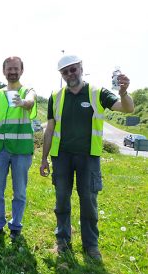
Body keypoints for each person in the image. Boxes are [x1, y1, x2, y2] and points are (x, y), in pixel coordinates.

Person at [39, 55, 134, 260]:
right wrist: (43, 158)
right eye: (65, 72)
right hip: (61, 157)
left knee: (89, 201)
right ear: (61, 75)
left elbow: (127, 108)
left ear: (81, 68)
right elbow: (49, 129)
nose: (70, 74)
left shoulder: (97, 93)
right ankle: (63, 240)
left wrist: (124, 93)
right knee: (62, 200)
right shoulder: (55, 96)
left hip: (88, 158)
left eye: (73, 69)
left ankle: (91, 245)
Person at [0, 56, 37, 240]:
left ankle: (16, 226)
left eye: (16, 68)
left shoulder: (27, 91)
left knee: (19, 192)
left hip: (21, 149)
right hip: (0, 148)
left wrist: (23, 102)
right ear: (3, 71)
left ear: (21, 70)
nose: (12, 72)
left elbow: (30, 101)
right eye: (9, 69)